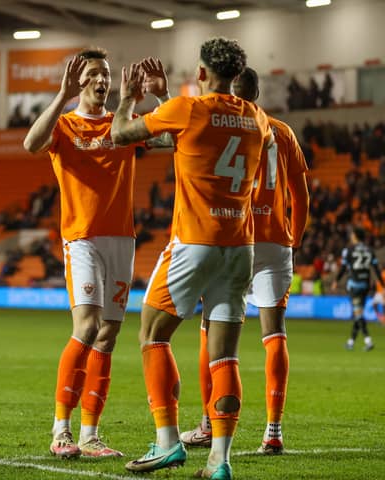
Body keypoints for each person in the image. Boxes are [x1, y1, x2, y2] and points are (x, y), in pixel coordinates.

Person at [111, 37, 273, 479]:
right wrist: (167, 99)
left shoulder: (188, 109)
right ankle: (220, 461)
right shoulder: (257, 118)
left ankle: (167, 443)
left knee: (152, 334)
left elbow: (120, 134)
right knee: (225, 357)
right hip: (240, 246)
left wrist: (128, 99)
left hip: (194, 241)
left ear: (201, 73)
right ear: (237, 76)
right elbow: (199, 139)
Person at [24, 48, 172, 459]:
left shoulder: (120, 126)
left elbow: (173, 137)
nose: (102, 80)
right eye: (93, 74)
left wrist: (161, 97)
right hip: (82, 237)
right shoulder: (66, 125)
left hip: (121, 239)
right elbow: (31, 142)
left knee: (108, 335)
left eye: (105, 73)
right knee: (86, 327)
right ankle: (61, 430)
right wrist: (62, 95)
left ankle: (90, 435)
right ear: (79, 81)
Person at [180, 67, 310, 456]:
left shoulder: (222, 127)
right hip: (275, 244)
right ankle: (273, 431)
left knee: (211, 330)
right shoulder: (282, 132)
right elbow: (300, 196)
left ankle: (208, 423)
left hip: (235, 237)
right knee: (275, 334)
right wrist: (294, 239)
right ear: (259, 92)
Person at [332, 227, 384, 351]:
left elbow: (344, 268)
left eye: (352, 234)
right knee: (358, 314)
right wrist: (382, 285)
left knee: (358, 315)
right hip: (365, 285)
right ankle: (351, 342)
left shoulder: (349, 250)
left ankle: (368, 341)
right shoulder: (369, 250)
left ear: (355, 236)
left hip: (354, 285)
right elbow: (376, 269)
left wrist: (336, 281)